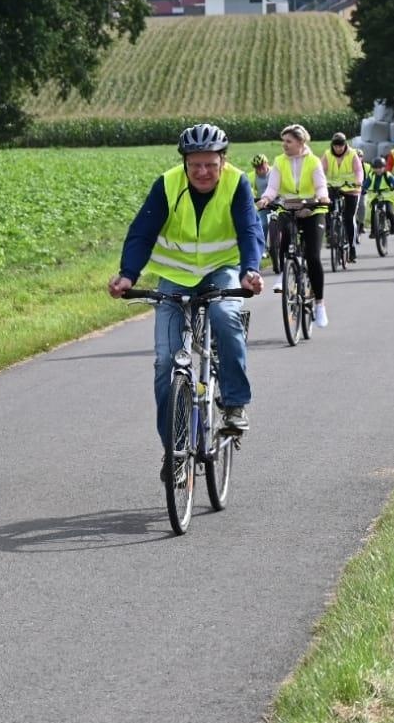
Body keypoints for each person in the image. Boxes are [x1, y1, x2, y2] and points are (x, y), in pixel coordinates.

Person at [108, 123, 263, 475]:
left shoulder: (236, 183)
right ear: (185, 163)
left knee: (225, 315)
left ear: (223, 161)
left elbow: (250, 229)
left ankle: (235, 405)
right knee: (166, 362)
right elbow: (141, 233)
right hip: (176, 277)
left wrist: (250, 271)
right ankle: (175, 450)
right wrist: (127, 275)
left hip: (222, 269)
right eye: (195, 165)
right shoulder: (167, 185)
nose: (203, 172)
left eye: (211, 164)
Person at [257, 123, 333, 327]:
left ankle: (319, 304)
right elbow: (273, 187)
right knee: (283, 240)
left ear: (300, 142)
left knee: (313, 257)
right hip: (289, 208)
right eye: (284, 141)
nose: (285, 145)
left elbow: (320, 185)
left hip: (313, 210)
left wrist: (322, 197)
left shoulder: (314, 161)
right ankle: (284, 272)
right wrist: (265, 199)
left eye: (288, 141)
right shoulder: (279, 161)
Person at [321, 132, 364, 261]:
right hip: (333, 187)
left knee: (348, 218)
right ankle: (330, 231)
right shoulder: (327, 155)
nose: (338, 148)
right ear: (332, 145)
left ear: (345, 145)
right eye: (336, 146)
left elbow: (358, 170)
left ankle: (352, 247)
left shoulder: (352, 154)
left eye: (341, 146)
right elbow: (320, 170)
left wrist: (358, 181)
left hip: (351, 188)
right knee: (326, 207)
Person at [363, 153, 394, 235]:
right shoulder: (371, 175)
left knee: (389, 212)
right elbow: (366, 184)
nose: (378, 170)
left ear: (384, 167)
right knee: (373, 212)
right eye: (376, 168)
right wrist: (363, 189)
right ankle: (373, 231)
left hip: (388, 196)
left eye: (380, 168)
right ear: (373, 168)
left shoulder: (387, 174)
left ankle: (393, 227)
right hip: (375, 195)